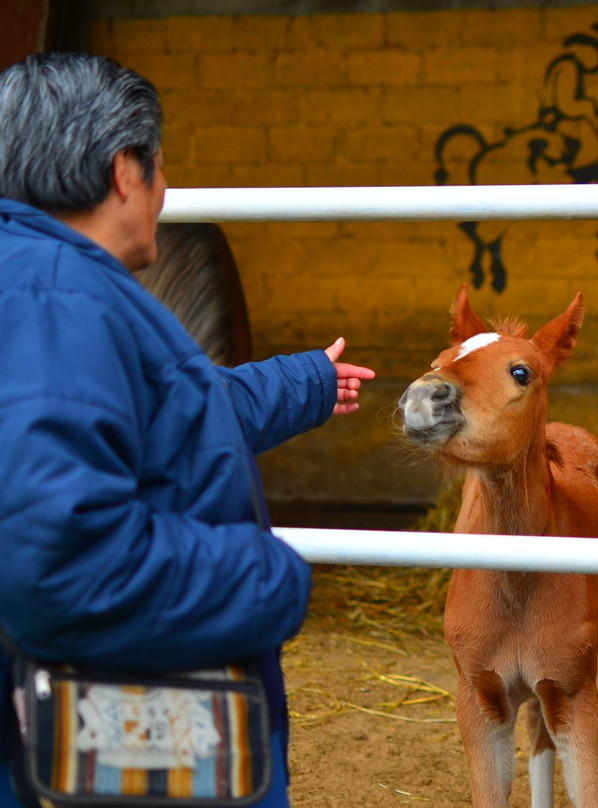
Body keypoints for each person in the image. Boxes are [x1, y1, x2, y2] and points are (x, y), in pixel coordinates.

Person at [0, 52, 375, 807]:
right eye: (160, 168)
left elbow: (151, 419)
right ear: (122, 173)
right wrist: (270, 575)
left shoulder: (37, 283)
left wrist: (299, 382)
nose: (165, 192)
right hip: (104, 727)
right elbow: (57, 552)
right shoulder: (58, 301)